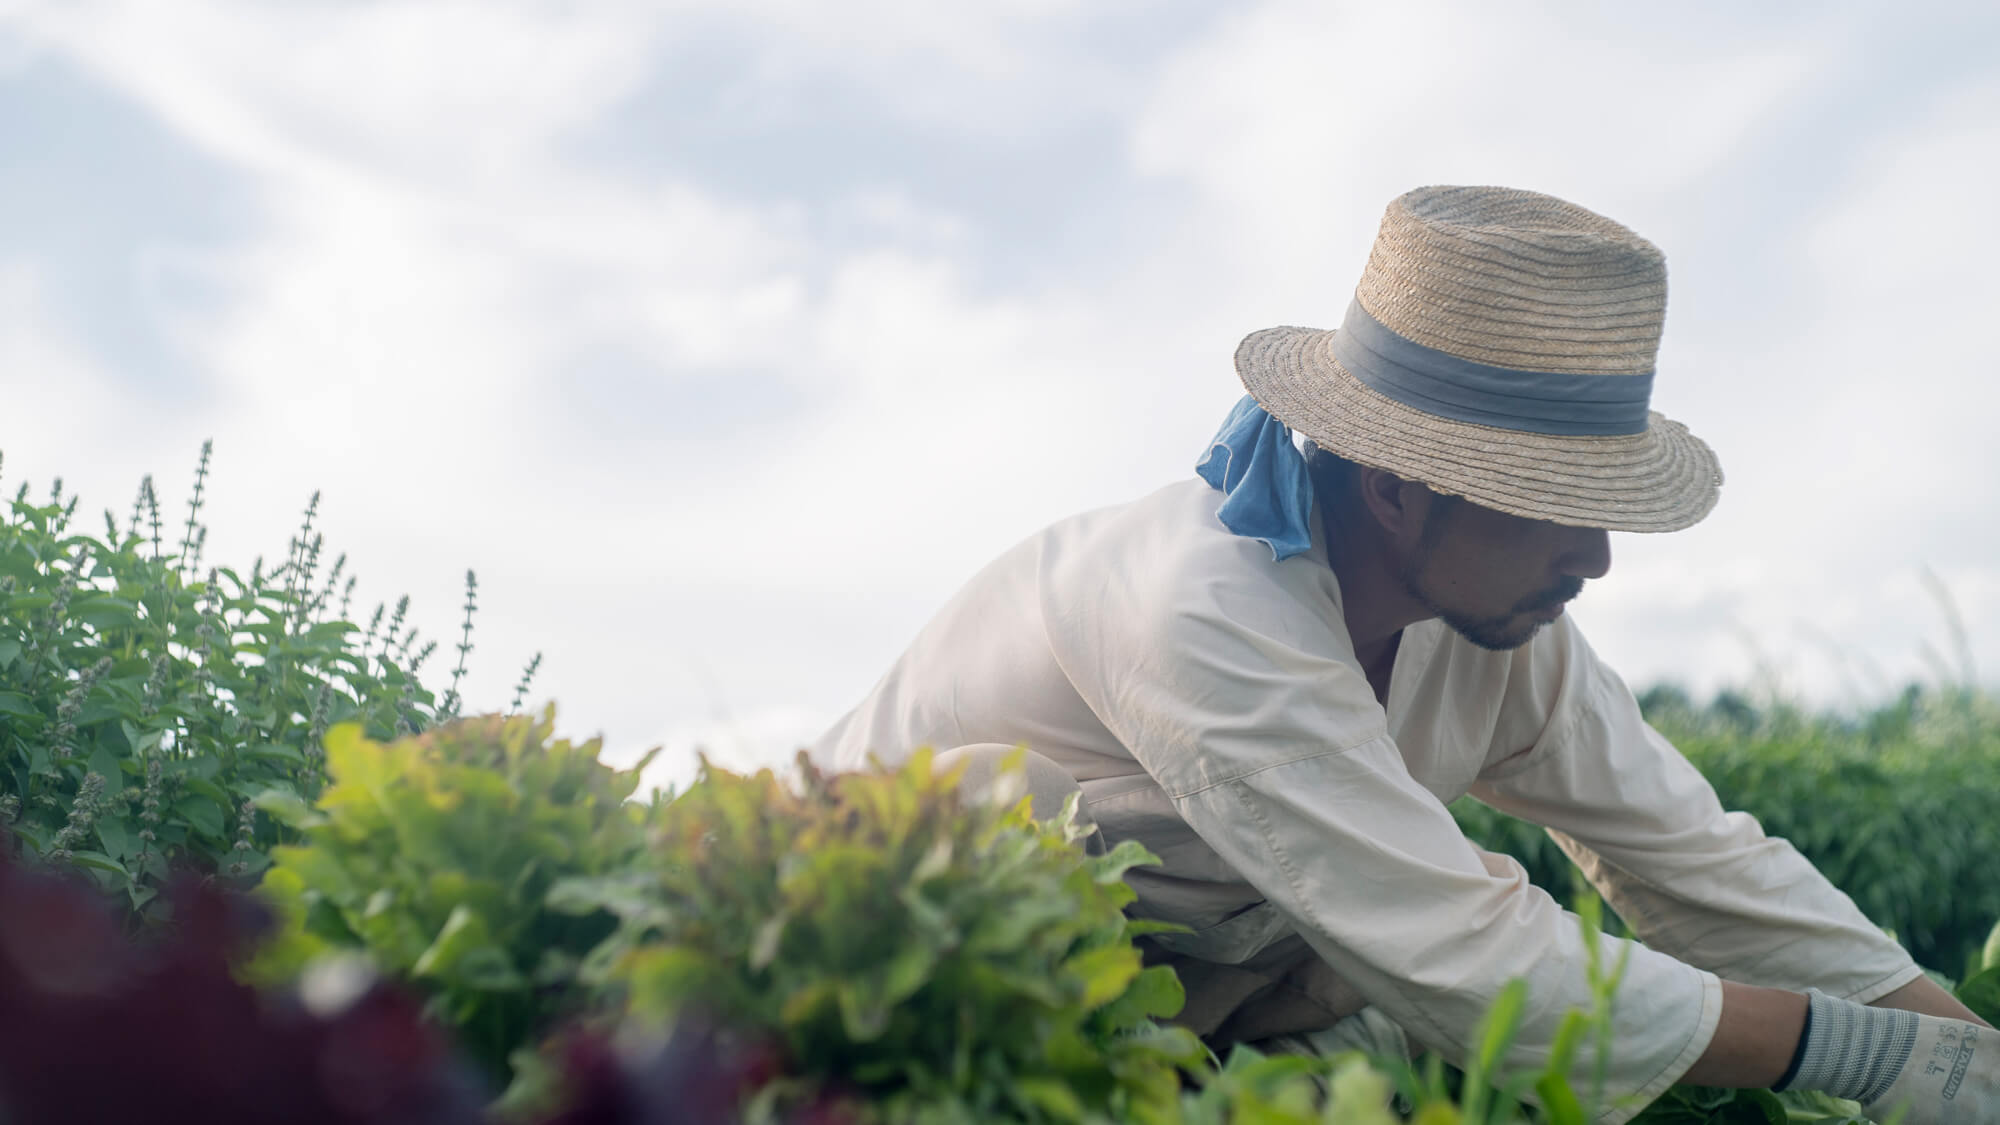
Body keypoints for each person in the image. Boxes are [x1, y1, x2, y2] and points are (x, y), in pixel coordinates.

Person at [811, 186, 1996, 1123]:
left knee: (1394, 1061)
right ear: (1392, 484)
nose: (1593, 559)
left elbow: (1697, 861)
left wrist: (1964, 1052)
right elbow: (1469, 952)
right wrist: (1862, 1054)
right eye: (1548, 504)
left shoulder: (1502, 631)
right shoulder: (1202, 604)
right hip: (886, 987)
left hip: (1169, 1005)